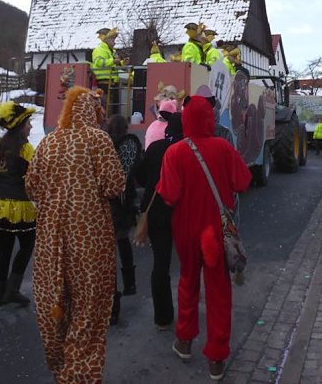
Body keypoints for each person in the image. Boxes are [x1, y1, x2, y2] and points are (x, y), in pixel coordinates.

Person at [26, 86, 125, 383]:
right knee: (89, 308)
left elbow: (32, 185)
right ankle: (79, 373)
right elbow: (115, 185)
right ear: (93, 111)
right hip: (89, 236)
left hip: (50, 237)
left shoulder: (48, 142)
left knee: (55, 300)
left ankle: (59, 362)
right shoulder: (97, 139)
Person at [157, 95, 251, 382]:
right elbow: (243, 182)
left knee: (187, 282)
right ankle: (216, 357)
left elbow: (169, 195)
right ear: (210, 119)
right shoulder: (223, 148)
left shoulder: (175, 152)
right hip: (216, 233)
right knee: (219, 292)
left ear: (185, 119)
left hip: (186, 230)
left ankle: (185, 341)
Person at [0, 101, 37, 307]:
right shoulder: (25, 148)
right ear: (20, 126)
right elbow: (35, 176)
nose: (31, 127)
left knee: (4, 248)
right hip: (18, 205)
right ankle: (12, 289)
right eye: (28, 123)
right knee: (27, 244)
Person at [134, 111, 183, 331]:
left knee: (160, 264)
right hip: (181, 211)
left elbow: (141, 176)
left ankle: (162, 317)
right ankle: (188, 311)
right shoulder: (186, 150)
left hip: (156, 212)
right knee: (188, 264)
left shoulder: (155, 148)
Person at [103, 114, 142, 325]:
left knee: (108, 256)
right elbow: (132, 173)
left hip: (107, 204)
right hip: (123, 204)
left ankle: (112, 305)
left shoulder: (103, 144)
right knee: (122, 242)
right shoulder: (130, 145)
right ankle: (129, 284)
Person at [91, 27, 125, 114]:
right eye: (112, 39)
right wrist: (113, 61)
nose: (114, 42)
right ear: (106, 40)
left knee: (114, 105)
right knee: (106, 105)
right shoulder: (99, 50)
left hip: (113, 82)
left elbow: (113, 64)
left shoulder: (112, 51)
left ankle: (112, 121)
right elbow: (99, 62)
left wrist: (122, 63)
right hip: (104, 82)